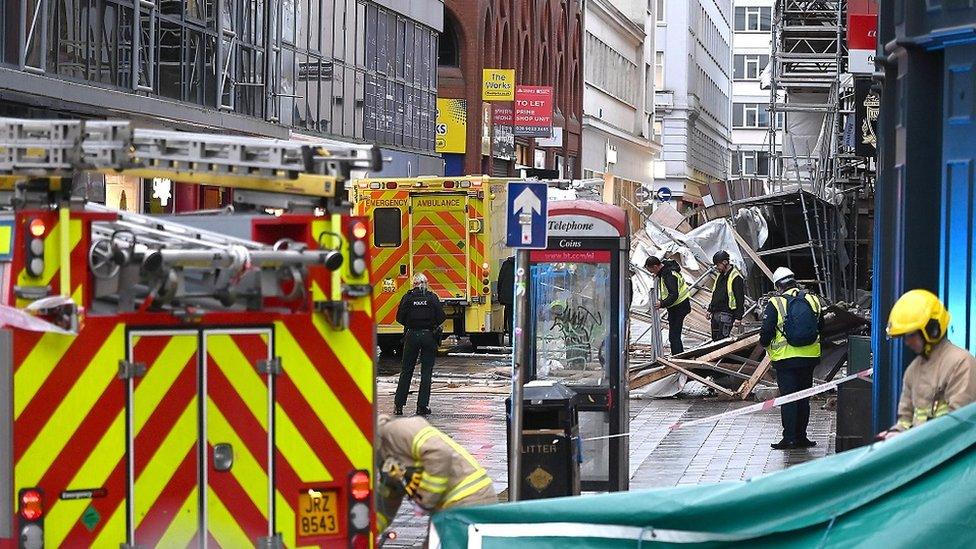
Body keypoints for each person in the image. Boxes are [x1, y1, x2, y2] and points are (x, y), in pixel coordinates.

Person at [877, 289, 976, 440]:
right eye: (904, 336)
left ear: (932, 330)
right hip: (923, 456)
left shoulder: (961, 363)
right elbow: (905, 420)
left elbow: (958, 424)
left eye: (911, 335)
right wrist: (894, 434)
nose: (907, 342)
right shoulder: (913, 370)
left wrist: (910, 440)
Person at [375, 414, 496, 534]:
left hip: (470, 498)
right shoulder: (382, 454)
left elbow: (440, 453)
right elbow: (390, 494)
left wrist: (425, 500)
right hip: (449, 508)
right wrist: (370, 532)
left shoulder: (403, 429)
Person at [760, 267, 825, 450]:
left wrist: (765, 345)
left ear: (778, 286)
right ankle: (802, 437)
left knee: (788, 398)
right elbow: (821, 325)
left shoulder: (776, 302)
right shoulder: (812, 299)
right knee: (803, 398)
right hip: (809, 357)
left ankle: (789, 438)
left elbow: (766, 331)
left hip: (785, 359)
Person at [394, 273, 446, 416]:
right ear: (426, 284)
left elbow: (399, 317)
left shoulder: (408, 298)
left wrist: (411, 324)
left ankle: (399, 405)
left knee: (406, 371)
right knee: (426, 372)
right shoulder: (432, 298)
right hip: (429, 336)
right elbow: (441, 316)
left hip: (411, 336)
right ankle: (422, 406)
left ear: (414, 284)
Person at [645, 255, 691, 355]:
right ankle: (678, 355)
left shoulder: (669, 275)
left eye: (651, 271)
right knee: (674, 335)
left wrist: (662, 303)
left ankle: (679, 357)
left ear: (655, 266)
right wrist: (658, 275)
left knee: (674, 336)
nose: (652, 273)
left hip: (679, 307)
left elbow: (674, 294)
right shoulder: (665, 270)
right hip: (677, 306)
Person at [707, 250, 745, 341]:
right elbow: (715, 294)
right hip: (716, 314)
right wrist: (710, 309)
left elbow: (740, 299)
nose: (717, 267)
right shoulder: (720, 276)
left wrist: (738, 317)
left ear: (725, 262)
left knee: (722, 341)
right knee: (715, 340)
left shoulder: (736, 277)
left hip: (726, 314)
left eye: (718, 264)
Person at [497, 256, 515, 341]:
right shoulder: (525, 264)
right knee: (524, 320)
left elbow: (500, 280)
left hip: (508, 298)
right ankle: (522, 340)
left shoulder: (506, 264)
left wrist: (500, 296)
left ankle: (512, 341)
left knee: (511, 320)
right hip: (523, 298)